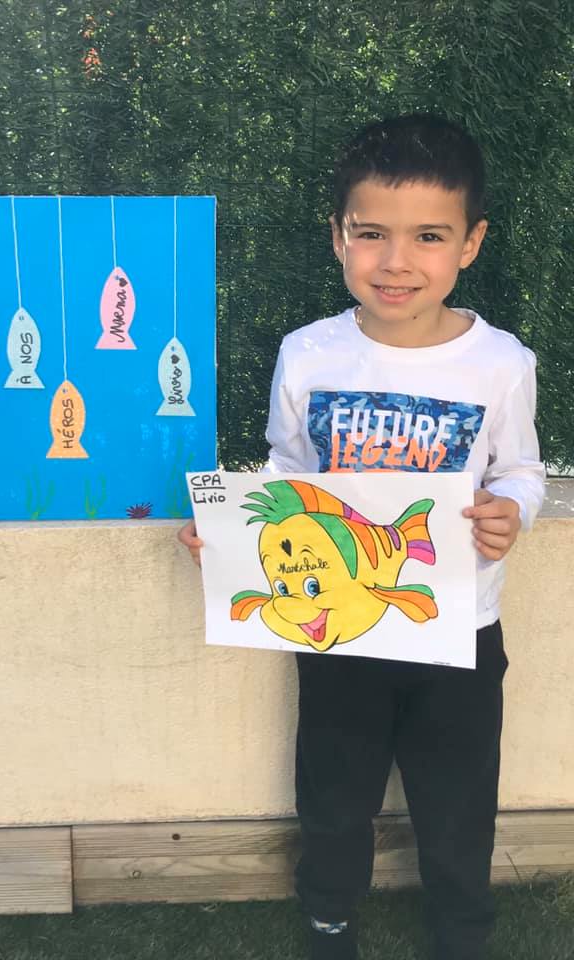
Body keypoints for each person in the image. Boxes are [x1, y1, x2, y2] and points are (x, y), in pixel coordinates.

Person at [178, 114, 545, 960]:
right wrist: (230, 534)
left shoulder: (501, 363)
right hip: (336, 632)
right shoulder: (308, 353)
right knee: (334, 794)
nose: (396, 260)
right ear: (338, 235)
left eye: (429, 236)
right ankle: (329, 917)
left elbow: (522, 469)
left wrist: (513, 510)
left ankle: (461, 929)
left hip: (460, 629)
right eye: (371, 232)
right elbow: (286, 471)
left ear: (471, 243)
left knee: (458, 799)